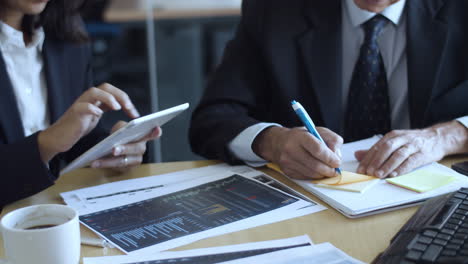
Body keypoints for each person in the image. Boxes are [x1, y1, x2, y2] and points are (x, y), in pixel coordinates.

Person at [190, 0, 468, 181]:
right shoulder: (273, 9)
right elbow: (212, 118)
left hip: (437, 206)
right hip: (313, 205)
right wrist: (272, 142)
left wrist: (444, 137)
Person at [0, 0, 161, 207]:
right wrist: (46, 143)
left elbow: (71, 143)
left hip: (50, 215)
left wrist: (112, 149)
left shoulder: (64, 33)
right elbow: (55, 140)